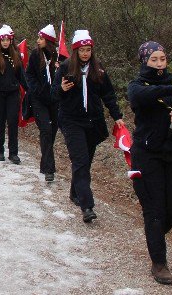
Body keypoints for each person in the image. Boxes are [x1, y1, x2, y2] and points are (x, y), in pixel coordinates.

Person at [128, 41, 172, 285]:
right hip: (147, 153)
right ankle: (159, 262)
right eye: (153, 59)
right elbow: (138, 97)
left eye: (162, 59)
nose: (158, 64)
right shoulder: (138, 86)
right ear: (144, 61)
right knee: (154, 209)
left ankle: (154, 233)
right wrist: (170, 91)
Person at [52, 29, 123, 223]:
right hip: (71, 120)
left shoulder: (98, 69)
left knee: (85, 161)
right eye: (82, 50)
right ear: (76, 51)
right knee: (81, 160)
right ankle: (87, 206)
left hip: (93, 122)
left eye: (88, 49)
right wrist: (61, 89)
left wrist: (117, 116)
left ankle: (75, 191)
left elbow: (108, 94)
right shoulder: (65, 67)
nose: (85, 53)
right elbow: (53, 94)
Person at [0, 25, 27, 164]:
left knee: (13, 122)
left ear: (10, 40)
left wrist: (29, 89)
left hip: (13, 93)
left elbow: (21, 75)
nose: (5, 42)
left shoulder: (15, 54)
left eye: (7, 40)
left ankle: (13, 153)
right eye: (3, 40)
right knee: (0, 121)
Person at [25, 24, 59, 182]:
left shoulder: (59, 57)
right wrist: (36, 90)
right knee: (45, 129)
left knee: (51, 131)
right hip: (38, 99)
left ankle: (44, 162)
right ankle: (50, 169)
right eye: (38, 38)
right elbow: (29, 75)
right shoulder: (35, 55)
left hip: (55, 100)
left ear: (49, 41)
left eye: (41, 38)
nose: (38, 41)